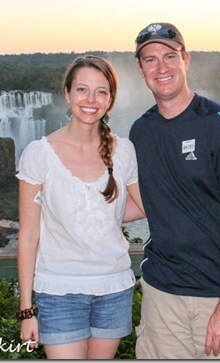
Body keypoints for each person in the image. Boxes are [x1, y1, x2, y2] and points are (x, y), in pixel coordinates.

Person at [129, 22, 220, 359]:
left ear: (185, 59)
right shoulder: (141, 131)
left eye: (169, 56)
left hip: (219, 297)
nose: (161, 67)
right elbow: (142, 203)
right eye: (150, 59)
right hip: (161, 297)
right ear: (140, 68)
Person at [16, 55, 144, 359]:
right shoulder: (39, 154)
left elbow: (142, 205)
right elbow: (29, 236)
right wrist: (26, 309)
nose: (91, 99)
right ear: (67, 93)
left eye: (101, 91)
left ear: (110, 99)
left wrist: (101, 217)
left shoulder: (123, 151)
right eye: (82, 90)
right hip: (59, 291)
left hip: (114, 289)